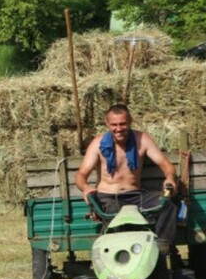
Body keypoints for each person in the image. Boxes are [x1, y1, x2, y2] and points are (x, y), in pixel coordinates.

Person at [75, 104, 178, 256]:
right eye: (114, 125)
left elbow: (166, 165)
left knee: (169, 202)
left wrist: (169, 178)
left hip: (136, 195)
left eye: (122, 124)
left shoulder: (142, 140)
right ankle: (117, 255)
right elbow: (81, 174)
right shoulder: (98, 144)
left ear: (130, 122)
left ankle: (162, 246)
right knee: (114, 217)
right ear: (107, 124)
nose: (119, 128)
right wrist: (85, 188)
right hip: (108, 197)